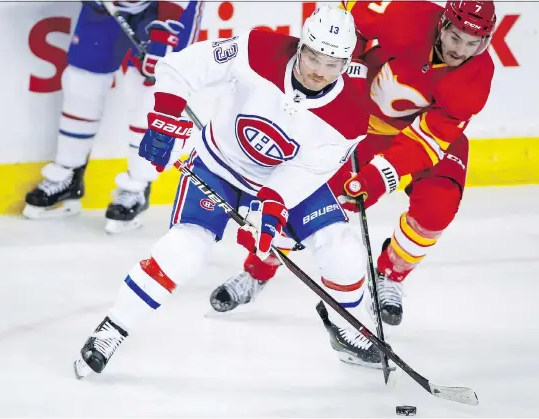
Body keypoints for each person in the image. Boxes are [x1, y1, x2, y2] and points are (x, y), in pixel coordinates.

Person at [73, 5, 374, 379]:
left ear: (346, 63)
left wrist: (273, 204)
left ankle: (348, 327)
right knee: (184, 250)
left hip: (285, 179)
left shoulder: (351, 115)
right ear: (301, 46)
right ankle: (112, 328)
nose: (318, 70)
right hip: (218, 165)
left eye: (332, 63)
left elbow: (307, 171)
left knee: (342, 248)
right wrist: (165, 117)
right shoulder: (257, 48)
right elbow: (181, 66)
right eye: (313, 56)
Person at [209, 0, 496, 367]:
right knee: (308, 205)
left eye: (473, 42)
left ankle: (390, 275)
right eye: (455, 36)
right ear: (442, 24)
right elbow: (345, 16)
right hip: (364, 126)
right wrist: (354, 67)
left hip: (423, 138)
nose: (460, 49)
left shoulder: (476, 79)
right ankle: (257, 271)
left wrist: (378, 177)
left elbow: (429, 140)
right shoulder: (406, 14)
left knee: (437, 207)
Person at [23, 1, 204, 234]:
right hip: (108, 5)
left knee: (151, 89)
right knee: (82, 80)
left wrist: (166, 31)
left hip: (167, 8)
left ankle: (138, 185)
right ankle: (67, 174)